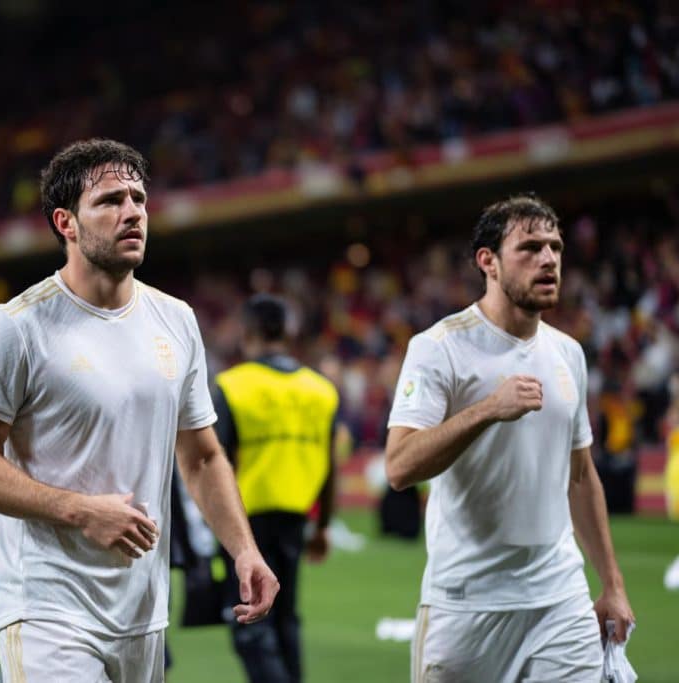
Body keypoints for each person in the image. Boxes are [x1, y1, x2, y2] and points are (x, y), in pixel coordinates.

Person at [0, 138, 279, 682]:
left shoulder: (176, 320)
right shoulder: (15, 326)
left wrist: (243, 550)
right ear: (66, 222)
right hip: (47, 606)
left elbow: (200, 456)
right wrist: (80, 510)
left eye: (138, 199)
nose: (132, 213)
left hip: (143, 610)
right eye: (109, 201)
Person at [385, 195, 635, 681]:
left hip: (559, 598)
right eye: (530, 248)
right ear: (489, 263)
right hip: (465, 605)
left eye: (556, 247)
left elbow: (580, 478)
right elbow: (399, 466)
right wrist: (488, 410)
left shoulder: (568, 353)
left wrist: (613, 584)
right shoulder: (439, 348)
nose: (549, 259)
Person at [213, 294, 339, 683]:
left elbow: (216, 465)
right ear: (291, 331)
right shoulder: (322, 390)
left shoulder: (231, 386)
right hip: (295, 518)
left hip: (243, 523)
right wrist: (322, 527)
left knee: (249, 620)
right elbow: (330, 467)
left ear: (246, 332)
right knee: (285, 617)